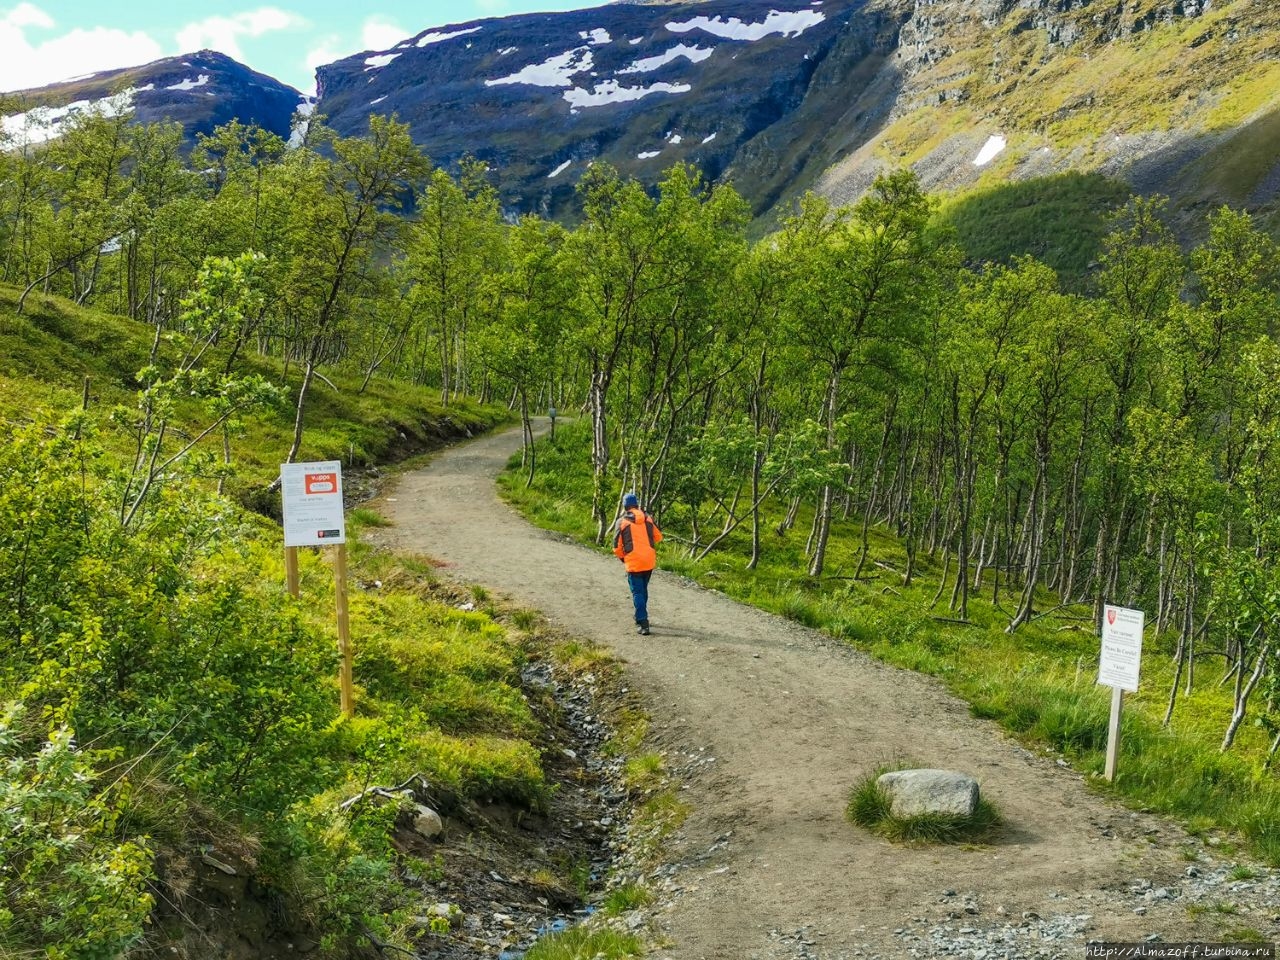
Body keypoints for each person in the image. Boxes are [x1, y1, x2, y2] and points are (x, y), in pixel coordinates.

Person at [613, 492, 662, 635]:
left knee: (637, 592)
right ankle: (639, 615)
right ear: (637, 504)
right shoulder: (648, 519)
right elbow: (658, 537)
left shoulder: (621, 522)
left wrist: (624, 558)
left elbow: (616, 548)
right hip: (648, 560)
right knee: (643, 590)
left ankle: (643, 622)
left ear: (624, 506)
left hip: (634, 562)